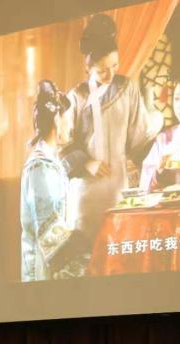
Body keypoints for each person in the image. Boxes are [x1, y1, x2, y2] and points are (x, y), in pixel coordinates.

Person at [62, 14, 155, 246]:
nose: (111, 74)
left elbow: (140, 137)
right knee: (87, 250)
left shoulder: (127, 88)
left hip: (118, 184)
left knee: (119, 244)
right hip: (86, 189)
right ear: (88, 67)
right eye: (103, 70)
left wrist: (157, 159)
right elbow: (63, 142)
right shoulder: (76, 96)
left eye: (115, 65)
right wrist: (86, 162)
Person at [20, 80, 80, 281]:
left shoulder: (52, 161)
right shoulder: (40, 166)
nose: (71, 126)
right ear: (57, 119)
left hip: (55, 265)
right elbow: (48, 232)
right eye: (68, 118)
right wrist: (80, 264)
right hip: (45, 270)